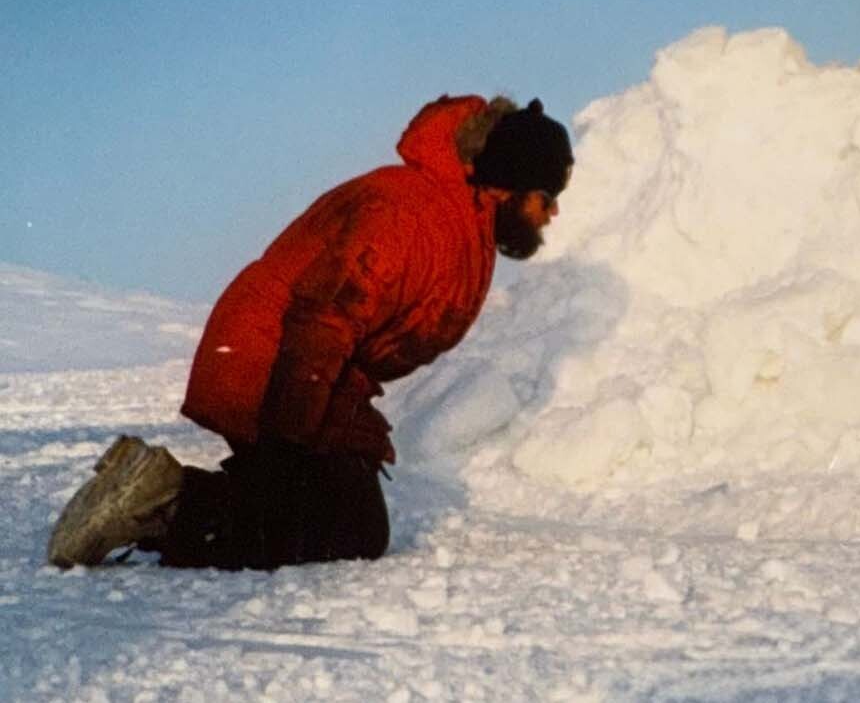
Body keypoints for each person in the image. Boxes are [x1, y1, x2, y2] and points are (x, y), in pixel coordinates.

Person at [47, 94, 573, 569]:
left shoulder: (458, 219)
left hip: (298, 368)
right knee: (337, 531)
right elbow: (321, 320)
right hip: (269, 363)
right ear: (509, 184)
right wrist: (286, 440)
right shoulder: (414, 216)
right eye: (545, 196)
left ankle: (158, 490)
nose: (550, 214)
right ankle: (160, 500)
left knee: (339, 519)